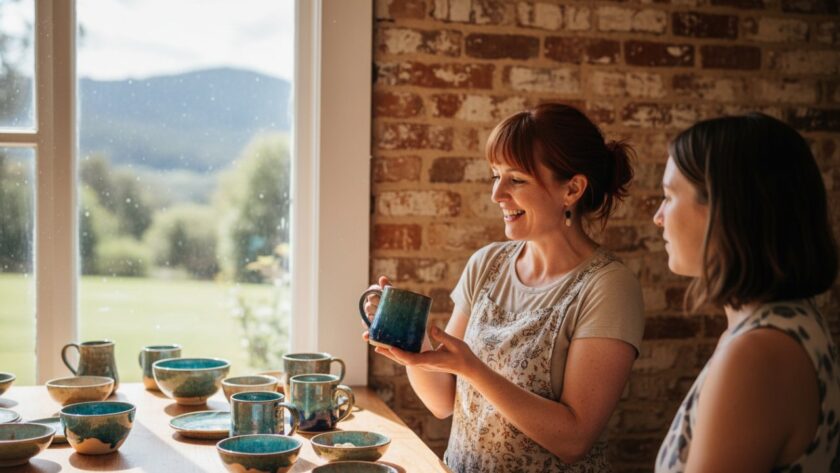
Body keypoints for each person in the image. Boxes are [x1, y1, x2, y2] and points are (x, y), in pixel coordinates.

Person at [363, 103, 646, 472]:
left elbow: (575, 439)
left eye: (517, 180)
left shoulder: (608, 287)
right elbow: (443, 401)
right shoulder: (487, 264)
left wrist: (473, 369)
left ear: (572, 189)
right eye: (495, 176)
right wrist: (409, 343)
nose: (497, 193)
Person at [653, 113, 840, 472]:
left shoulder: (757, 356)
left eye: (669, 196)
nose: (658, 217)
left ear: (725, 210)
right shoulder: (785, 322)